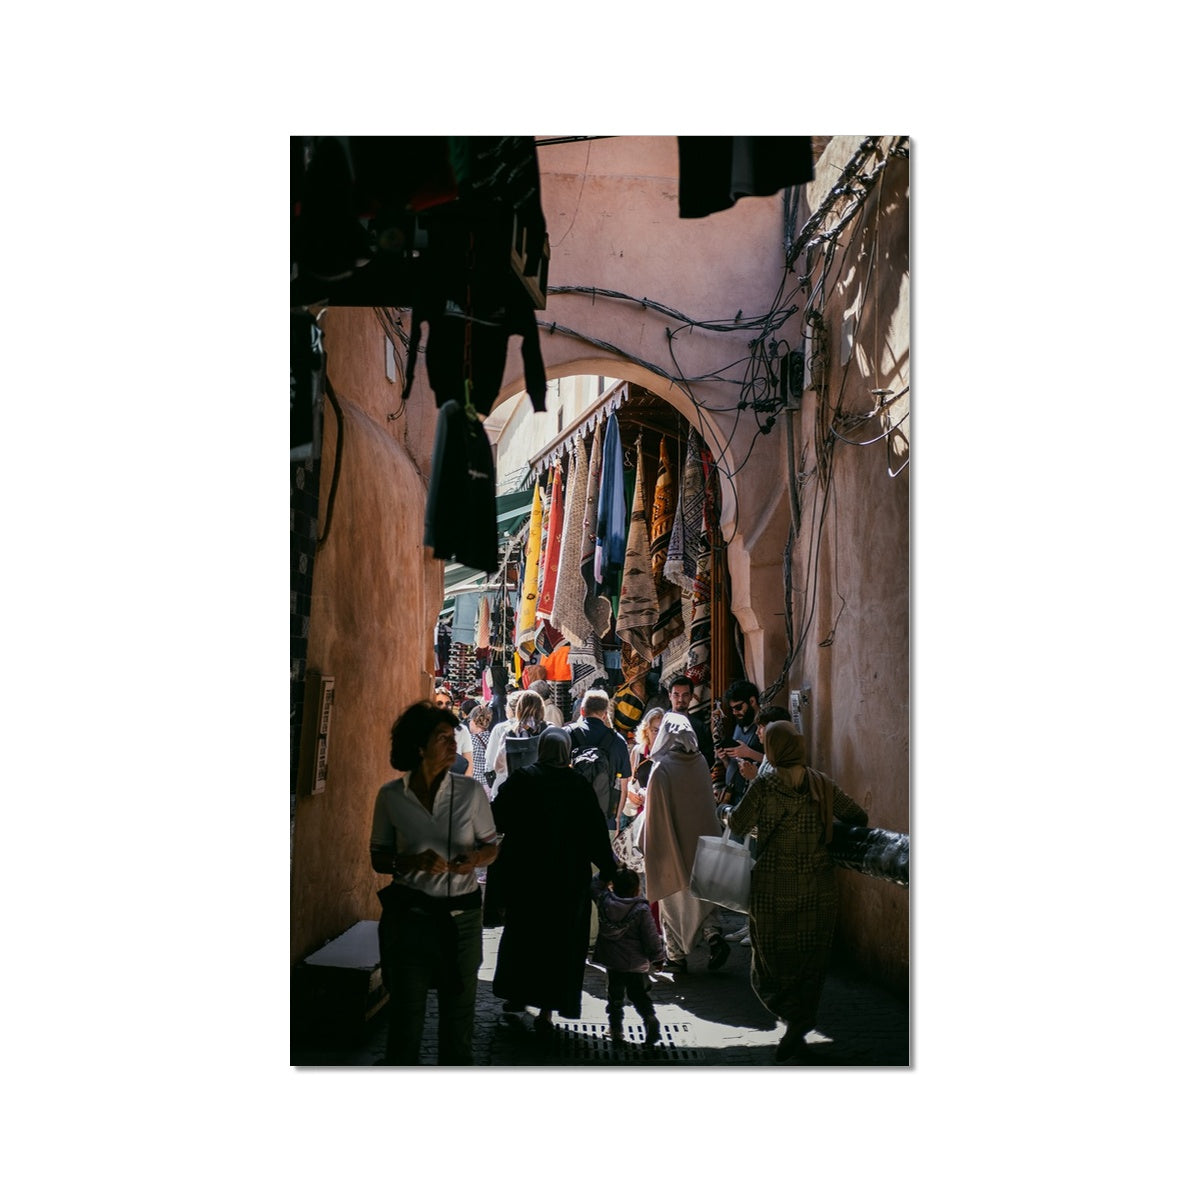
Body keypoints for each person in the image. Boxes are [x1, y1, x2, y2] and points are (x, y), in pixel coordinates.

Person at [729, 720, 868, 1063]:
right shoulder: (820, 784)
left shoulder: (764, 785)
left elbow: (738, 824)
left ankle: (792, 1016)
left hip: (773, 886)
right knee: (810, 958)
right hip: (818, 886)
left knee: (770, 957)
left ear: (773, 749)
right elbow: (858, 817)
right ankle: (801, 1019)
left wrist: (731, 812)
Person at [369, 700, 499, 1065]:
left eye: (452, 736)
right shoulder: (391, 797)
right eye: (442, 738)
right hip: (410, 919)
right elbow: (378, 858)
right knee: (406, 1021)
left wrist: (473, 860)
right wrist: (410, 861)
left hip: (462, 920)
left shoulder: (471, 794)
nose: (453, 745)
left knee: (458, 1021)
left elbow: (491, 848)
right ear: (419, 746)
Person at [490, 727, 618, 1033]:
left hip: (527, 879)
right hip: (567, 881)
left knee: (524, 938)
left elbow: (495, 818)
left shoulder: (522, 780)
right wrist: (610, 870)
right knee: (560, 945)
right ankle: (547, 1012)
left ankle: (516, 999)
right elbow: (596, 835)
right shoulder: (578, 785)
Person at [637, 711, 730, 973]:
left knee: (672, 903)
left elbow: (655, 815)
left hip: (672, 848)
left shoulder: (662, 767)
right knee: (704, 900)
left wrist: (647, 844)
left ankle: (676, 956)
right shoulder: (700, 762)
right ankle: (713, 938)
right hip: (702, 848)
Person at [590, 868, 666, 1045]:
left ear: (613, 886)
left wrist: (608, 869)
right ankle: (649, 1018)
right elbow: (651, 935)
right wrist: (658, 958)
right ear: (637, 889)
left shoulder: (605, 901)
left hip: (614, 962)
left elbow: (593, 885)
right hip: (636, 963)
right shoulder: (641, 909)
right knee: (639, 995)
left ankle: (616, 1030)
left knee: (615, 998)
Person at [565, 688, 632, 823]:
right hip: (604, 819)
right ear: (604, 714)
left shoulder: (566, 734)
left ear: (582, 711)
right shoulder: (618, 741)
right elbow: (623, 787)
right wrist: (616, 820)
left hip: (569, 816)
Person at [715, 680, 764, 806]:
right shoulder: (738, 726)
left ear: (752, 701)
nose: (735, 712)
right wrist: (725, 758)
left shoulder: (764, 728)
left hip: (754, 797)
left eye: (738, 707)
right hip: (733, 796)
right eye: (732, 709)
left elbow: (774, 764)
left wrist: (748, 752)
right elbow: (733, 763)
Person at [621, 706, 664, 829]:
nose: (659, 735)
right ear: (646, 731)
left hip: (661, 815)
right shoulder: (638, 751)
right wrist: (631, 793)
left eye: (662, 731)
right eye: (655, 731)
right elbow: (630, 779)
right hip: (640, 816)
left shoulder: (670, 754)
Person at [666, 674, 715, 768]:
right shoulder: (659, 724)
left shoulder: (700, 727)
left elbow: (709, 760)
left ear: (692, 696)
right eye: (676, 695)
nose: (680, 699)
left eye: (685, 695)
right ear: (670, 696)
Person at [467, 703, 494, 796]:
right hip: (489, 783)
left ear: (474, 721)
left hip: (475, 783)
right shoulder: (492, 736)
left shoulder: (470, 740)